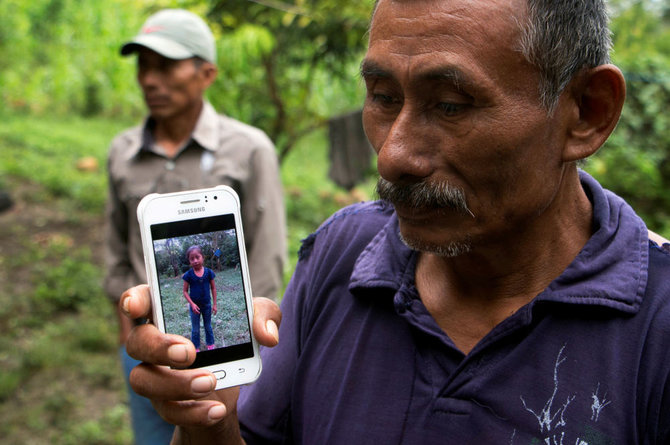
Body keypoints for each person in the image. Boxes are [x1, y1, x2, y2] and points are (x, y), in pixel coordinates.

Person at [121, 0, 670, 443]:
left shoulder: (657, 328)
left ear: (587, 111)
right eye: (383, 97)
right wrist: (209, 427)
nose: (392, 157)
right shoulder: (344, 253)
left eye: (451, 105)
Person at [103, 8, 286, 444]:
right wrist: (126, 331)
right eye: (144, 66)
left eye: (166, 66)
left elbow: (267, 254)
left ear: (207, 74)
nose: (150, 79)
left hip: (229, 357)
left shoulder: (248, 148)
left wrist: (249, 340)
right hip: (147, 351)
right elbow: (116, 245)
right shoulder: (122, 152)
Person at [182, 245, 218, 351]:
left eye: (197, 257)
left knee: (208, 326)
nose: (195, 260)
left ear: (202, 257)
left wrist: (215, 305)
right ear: (189, 261)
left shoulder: (209, 273)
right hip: (195, 308)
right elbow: (185, 291)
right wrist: (192, 304)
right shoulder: (188, 275)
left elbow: (213, 288)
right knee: (195, 329)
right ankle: (196, 348)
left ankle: (210, 345)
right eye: (192, 259)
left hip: (207, 305)